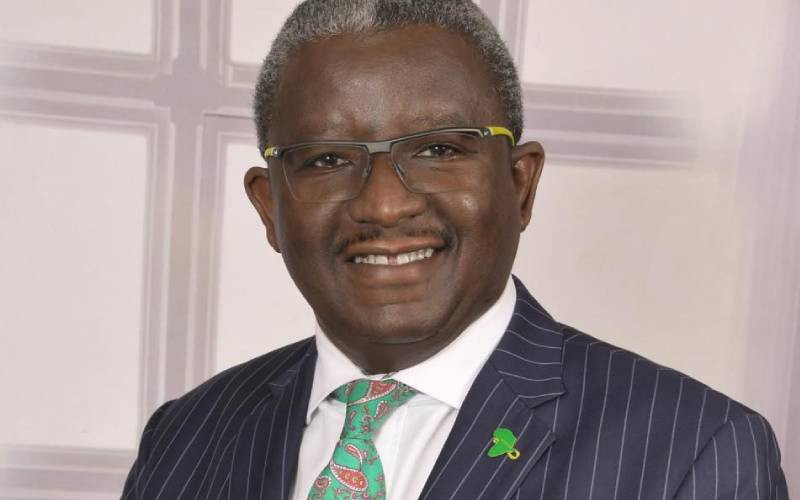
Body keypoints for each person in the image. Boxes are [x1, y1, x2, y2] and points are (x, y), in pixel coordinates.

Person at [122, 1, 788, 498]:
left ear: (520, 185)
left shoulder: (691, 450)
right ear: (269, 206)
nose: (385, 204)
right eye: (326, 159)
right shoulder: (187, 437)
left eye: (439, 149)